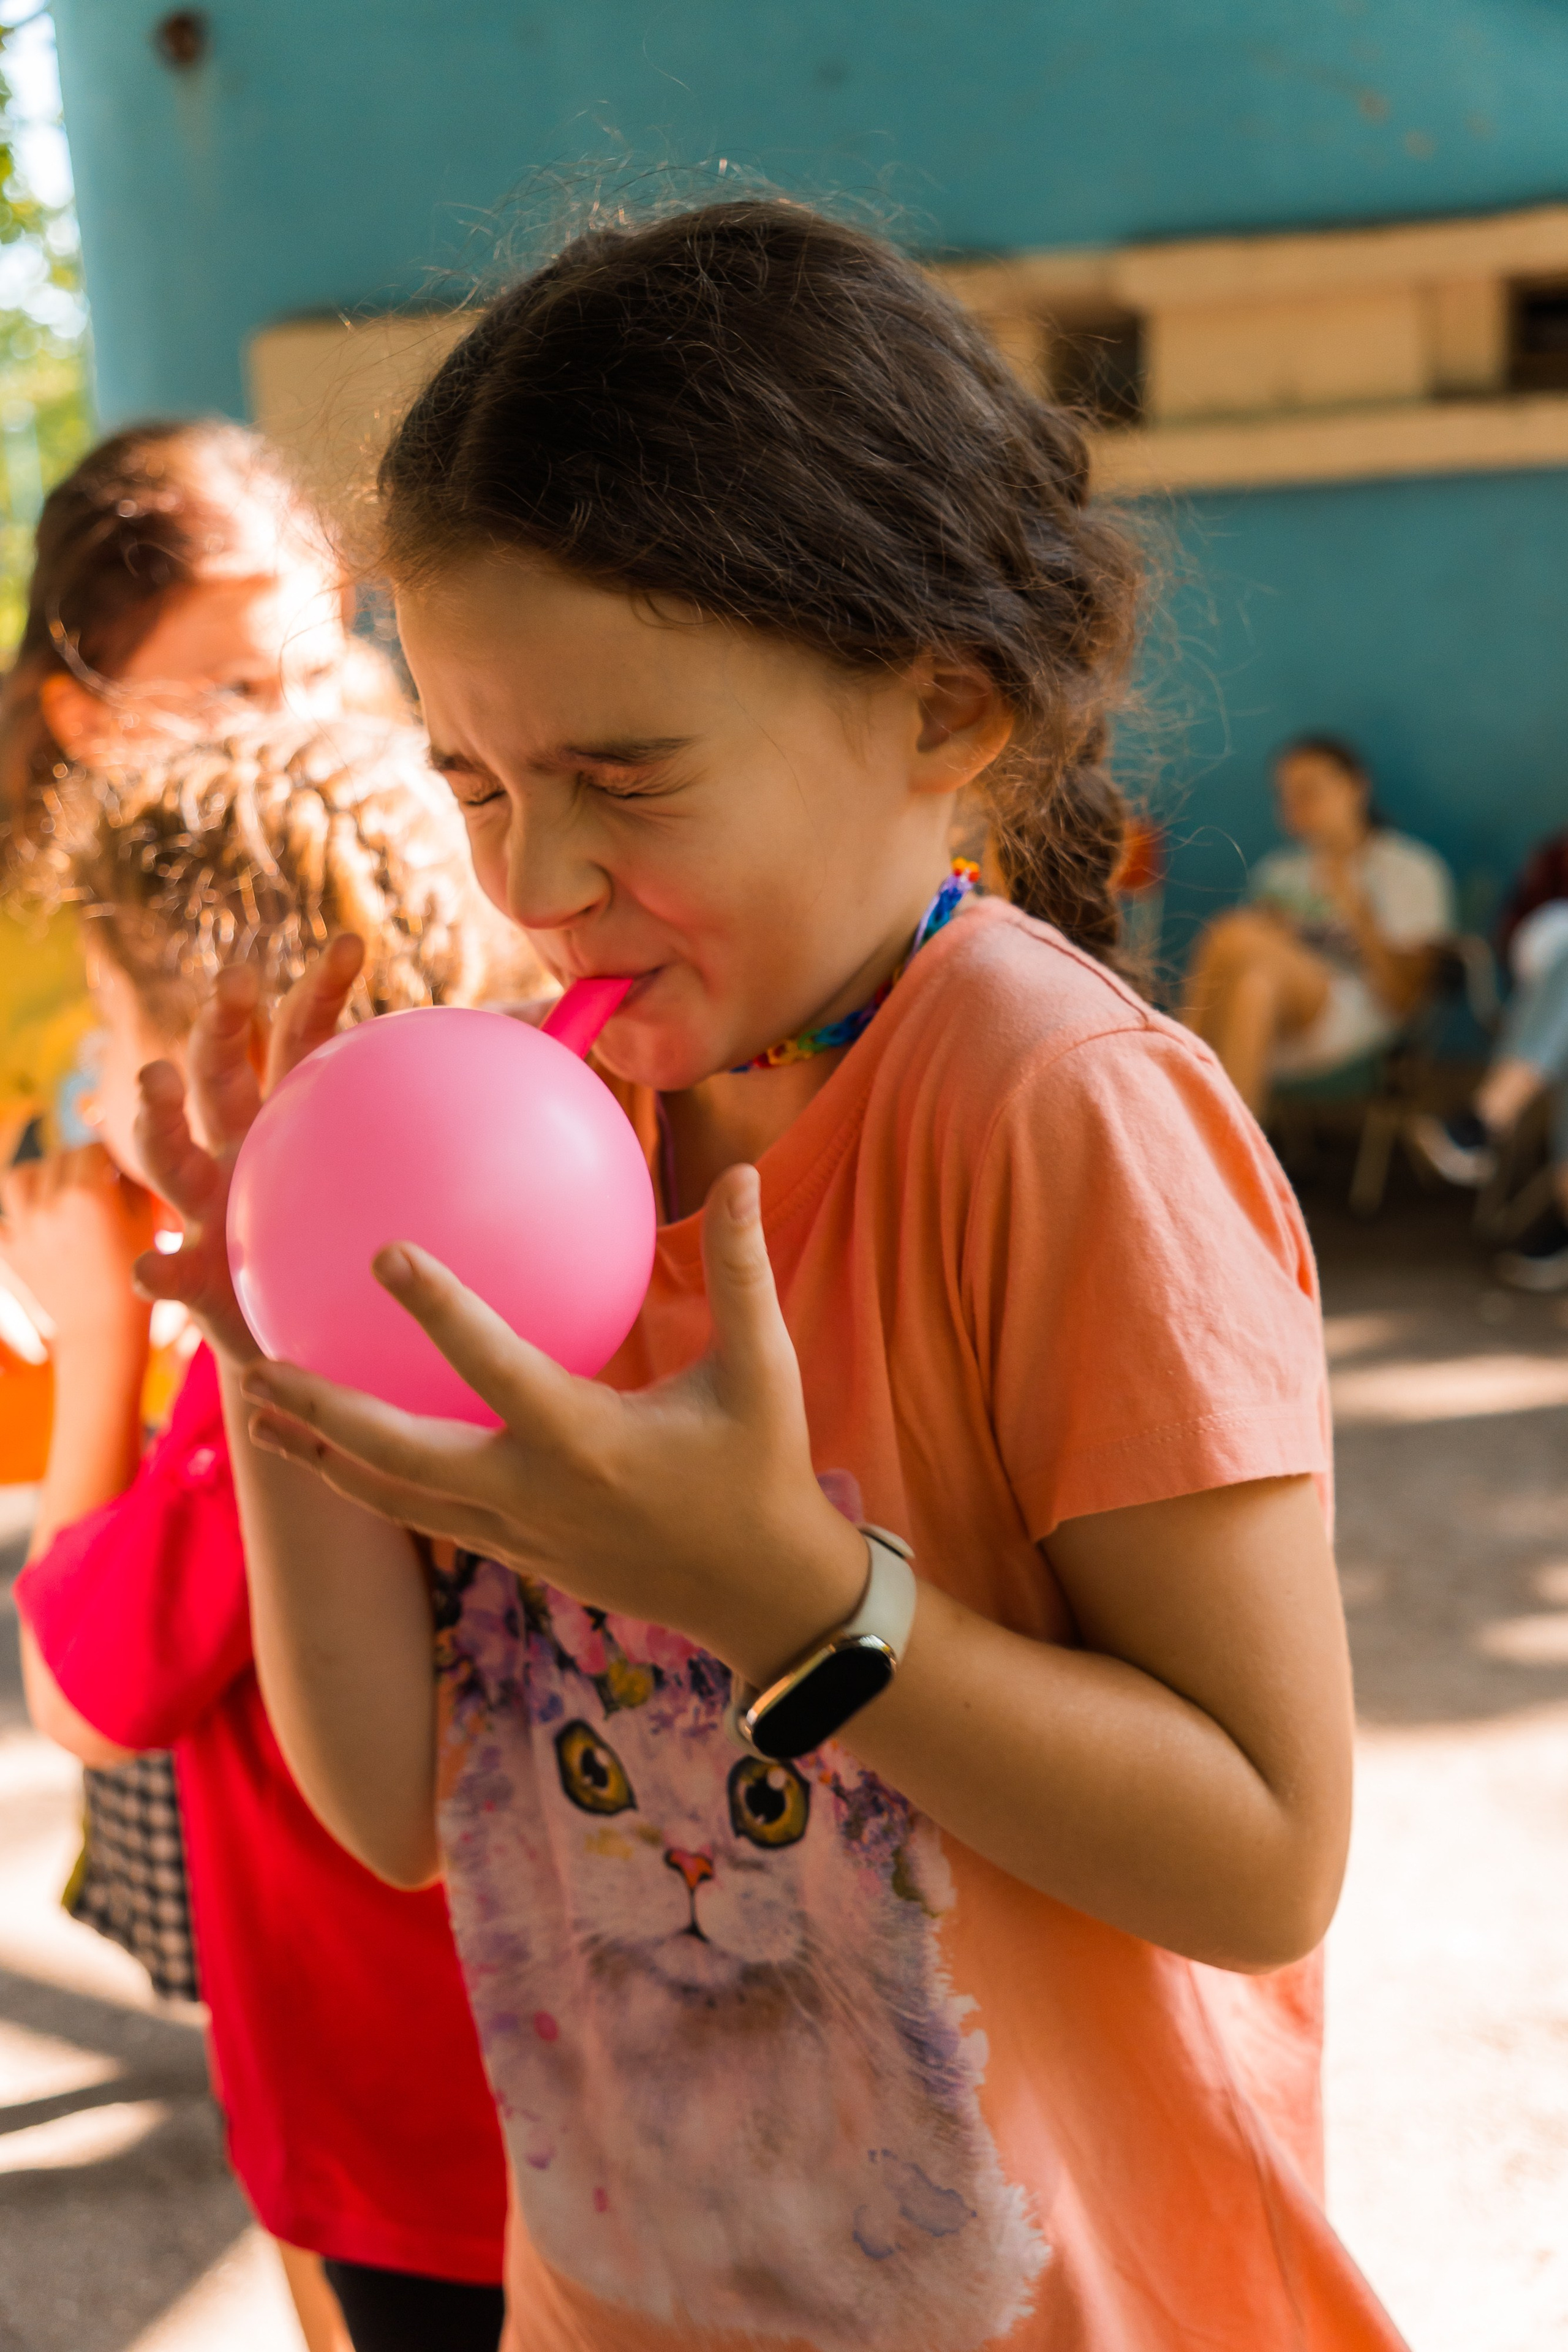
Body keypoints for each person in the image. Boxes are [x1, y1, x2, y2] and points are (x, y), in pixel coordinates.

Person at [135, 203, 1400, 2350]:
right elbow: (401, 1808)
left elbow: (1262, 1851)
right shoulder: (554, 1133)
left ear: (942, 707)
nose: (534, 876)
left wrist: (796, 1601)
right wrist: (281, 1348)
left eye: (621, 776)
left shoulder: (1058, 1113)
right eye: (475, 780)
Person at [5, 722, 517, 2352]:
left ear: (210, 1052)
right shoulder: (456, 1244)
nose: (86, 1075)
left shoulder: (291, 1342)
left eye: (107, 1024)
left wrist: (101, 1340)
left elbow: (86, 1695)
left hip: (417, 2137)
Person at [0, 416, 402, 1170]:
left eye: (320, 673)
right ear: (89, 721)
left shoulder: (415, 870)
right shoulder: (24, 937)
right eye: (234, 691)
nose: (302, 733)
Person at [1182, 734, 1454, 1117]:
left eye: (1309, 791)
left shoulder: (1411, 869)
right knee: (1254, 983)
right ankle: (1228, 1142)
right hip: (1278, 1016)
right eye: (1286, 796)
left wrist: (1358, 912)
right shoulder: (1280, 872)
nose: (1294, 807)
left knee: (1231, 932)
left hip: (1361, 1017)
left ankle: (1176, 1081)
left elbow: (1404, 1000)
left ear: (1357, 787)